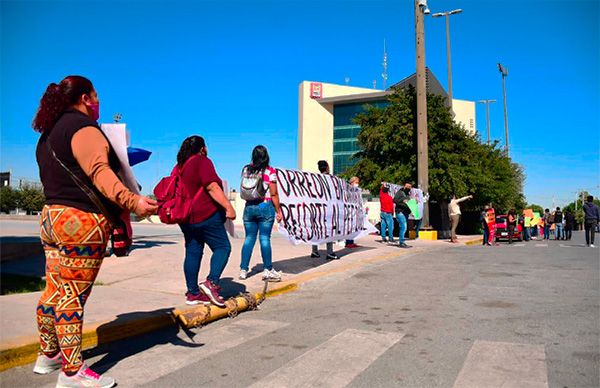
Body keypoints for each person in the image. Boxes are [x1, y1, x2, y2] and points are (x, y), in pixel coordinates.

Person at [32, 76, 157, 388]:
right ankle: (72, 372)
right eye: (96, 96)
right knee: (72, 297)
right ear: (86, 98)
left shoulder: (47, 135)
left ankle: (48, 355)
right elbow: (100, 173)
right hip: (81, 223)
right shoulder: (84, 129)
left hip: (51, 217)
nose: (99, 102)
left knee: (55, 290)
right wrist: (134, 201)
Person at [176, 135, 236, 307]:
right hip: (206, 214)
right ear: (202, 148)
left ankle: (192, 293)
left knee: (193, 252)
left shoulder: (180, 166)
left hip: (186, 218)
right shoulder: (202, 161)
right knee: (222, 247)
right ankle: (212, 282)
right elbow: (211, 186)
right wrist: (228, 207)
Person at [239, 146, 283, 282]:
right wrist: (278, 211)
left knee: (249, 239)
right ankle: (268, 269)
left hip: (249, 207)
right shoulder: (270, 171)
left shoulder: (246, 169)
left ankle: (243, 270)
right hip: (264, 206)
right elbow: (274, 193)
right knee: (264, 238)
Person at [311, 160, 338, 260]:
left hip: (317, 208)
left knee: (316, 228)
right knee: (329, 229)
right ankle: (330, 252)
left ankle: (314, 251)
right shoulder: (332, 179)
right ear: (327, 167)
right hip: (328, 208)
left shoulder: (315, 179)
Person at [393, 183, 413, 248]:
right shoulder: (400, 192)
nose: (408, 188)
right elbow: (395, 200)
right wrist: (403, 201)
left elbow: (408, 203)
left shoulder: (407, 194)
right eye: (407, 186)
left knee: (404, 227)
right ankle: (401, 242)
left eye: (410, 187)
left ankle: (402, 242)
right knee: (403, 227)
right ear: (404, 186)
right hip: (400, 212)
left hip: (405, 213)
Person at [345, 176, 361, 249]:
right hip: (349, 211)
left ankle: (351, 241)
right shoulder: (348, 190)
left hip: (354, 211)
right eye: (356, 182)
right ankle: (348, 242)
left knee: (353, 227)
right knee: (349, 227)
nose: (357, 184)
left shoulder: (356, 190)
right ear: (352, 182)